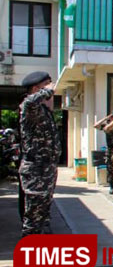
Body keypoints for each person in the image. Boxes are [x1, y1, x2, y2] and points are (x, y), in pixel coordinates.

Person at [18, 71, 61, 236]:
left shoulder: (44, 111)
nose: (52, 91)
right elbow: (30, 102)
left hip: (46, 169)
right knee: (34, 218)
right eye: (47, 85)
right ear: (36, 88)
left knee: (43, 216)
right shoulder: (29, 107)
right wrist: (46, 91)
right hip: (36, 170)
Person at [94, 110, 113, 197]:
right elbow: (96, 125)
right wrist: (106, 118)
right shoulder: (108, 124)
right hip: (110, 149)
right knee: (110, 169)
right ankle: (112, 186)